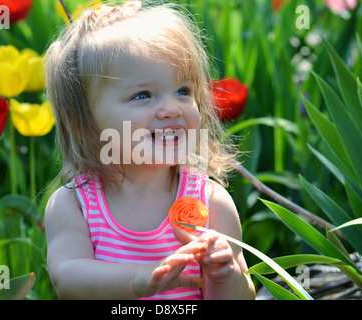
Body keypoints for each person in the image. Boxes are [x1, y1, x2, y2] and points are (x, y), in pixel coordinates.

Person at [43, 0, 256, 300]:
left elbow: (242, 295)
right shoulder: (76, 205)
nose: (171, 108)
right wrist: (139, 279)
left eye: (183, 91)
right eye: (143, 95)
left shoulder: (210, 201)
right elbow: (67, 278)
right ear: (84, 123)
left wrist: (225, 275)